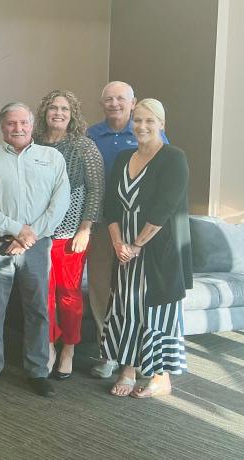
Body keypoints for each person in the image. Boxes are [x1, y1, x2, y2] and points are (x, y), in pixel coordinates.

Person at [0, 102, 69, 397]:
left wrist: (30, 235)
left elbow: (59, 201)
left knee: (38, 309)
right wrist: (16, 229)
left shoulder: (52, 158)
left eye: (23, 123)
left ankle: (37, 371)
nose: (18, 128)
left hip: (37, 246)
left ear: (32, 125)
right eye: (12, 123)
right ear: (2, 127)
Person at [102, 98, 190, 398]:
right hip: (124, 250)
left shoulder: (173, 158)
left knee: (156, 311)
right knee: (126, 306)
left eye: (150, 121)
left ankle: (160, 376)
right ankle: (127, 368)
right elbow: (111, 207)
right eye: (137, 120)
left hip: (156, 251)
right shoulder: (124, 156)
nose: (142, 126)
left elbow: (165, 208)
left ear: (162, 125)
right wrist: (118, 243)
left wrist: (137, 244)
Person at [86, 81, 169, 378]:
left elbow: (166, 183)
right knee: (99, 288)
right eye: (108, 98)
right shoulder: (92, 135)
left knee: (134, 293)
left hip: (140, 229)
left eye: (121, 98)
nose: (114, 103)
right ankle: (106, 351)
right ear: (102, 103)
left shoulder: (148, 133)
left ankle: (136, 358)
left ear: (132, 103)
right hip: (103, 223)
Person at [32, 90, 104, 379]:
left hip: (70, 233)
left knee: (68, 294)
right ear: (44, 112)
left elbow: (97, 190)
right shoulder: (33, 144)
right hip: (38, 233)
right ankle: (48, 344)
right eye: (53, 108)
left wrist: (85, 229)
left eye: (64, 108)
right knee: (43, 295)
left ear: (72, 114)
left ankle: (69, 349)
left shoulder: (84, 147)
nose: (58, 113)